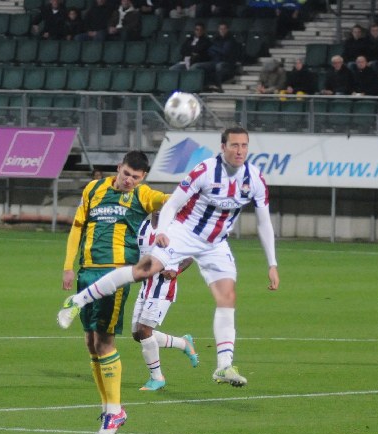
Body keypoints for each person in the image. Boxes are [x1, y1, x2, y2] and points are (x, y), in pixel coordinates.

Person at [58, 126, 280, 388]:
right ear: (223, 147)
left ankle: (223, 366)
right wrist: (163, 231)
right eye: (234, 145)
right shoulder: (205, 171)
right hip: (184, 232)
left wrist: (272, 263)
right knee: (143, 271)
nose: (239, 150)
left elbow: (264, 223)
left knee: (227, 297)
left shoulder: (255, 179)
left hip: (216, 243)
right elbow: (173, 203)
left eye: (244, 145)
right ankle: (78, 300)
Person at [61, 150, 168, 434]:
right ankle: (109, 407)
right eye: (126, 174)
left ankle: (114, 410)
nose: (130, 180)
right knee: (90, 342)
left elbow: (169, 202)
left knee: (105, 341)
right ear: (118, 168)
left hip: (116, 275)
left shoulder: (143, 195)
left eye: (136, 177)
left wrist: (168, 222)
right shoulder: (93, 189)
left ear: (143, 177)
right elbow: (77, 227)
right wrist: (68, 266)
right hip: (87, 272)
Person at [131, 211, 199, 391]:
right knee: (137, 334)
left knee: (145, 331)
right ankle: (183, 343)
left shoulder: (174, 229)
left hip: (162, 287)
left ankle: (157, 377)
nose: (161, 209)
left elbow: (190, 254)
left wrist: (176, 270)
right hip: (145, 286)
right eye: (157, 205)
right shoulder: (144, 227)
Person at [195, 21, 241, 92]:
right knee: (197, 66)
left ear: (227, 29)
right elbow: (210, 51)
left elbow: (225, 52)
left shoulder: (231, 40)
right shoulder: (216, 39)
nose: (222, 30)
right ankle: (202, 87)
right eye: (220, 29)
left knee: (219, 66)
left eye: (224, 29)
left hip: (227, 62)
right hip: (215, 61)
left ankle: (218, 85)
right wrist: (217, 50)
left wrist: (215, 49)